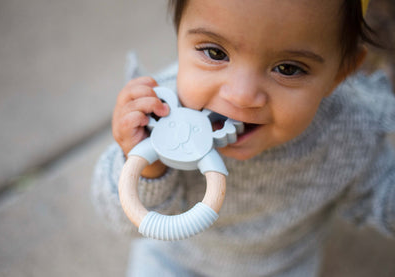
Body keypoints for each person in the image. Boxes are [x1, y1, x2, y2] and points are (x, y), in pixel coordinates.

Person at [92, 0, 395, 276]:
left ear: (340, 73)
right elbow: (123, 220)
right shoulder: (162, 116)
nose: (242, 95)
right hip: (175, 259)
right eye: (215, 53)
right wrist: (147, 165)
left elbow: (383, 194)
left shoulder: (350, 130)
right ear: (179, 36)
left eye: (288, 69)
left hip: (283, 266)